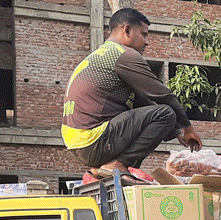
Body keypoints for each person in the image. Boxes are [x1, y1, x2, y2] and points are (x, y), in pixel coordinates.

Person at [62, 9, 202, 182]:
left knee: (163, 115)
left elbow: (143, 103)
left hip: (77, 144)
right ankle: (119, 164)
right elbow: (163, 95)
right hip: (94, 140)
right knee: (166, 113)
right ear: (127, 30)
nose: (147, 42)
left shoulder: (100, 55)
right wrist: (188, 127)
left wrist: (176, 131)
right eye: (143, 34)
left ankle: (109, 166)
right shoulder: (124, 55)